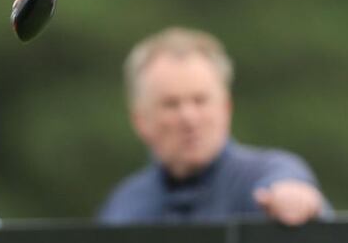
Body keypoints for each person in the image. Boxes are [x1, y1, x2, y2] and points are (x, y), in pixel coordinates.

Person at [99, 27, 330, 225]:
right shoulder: (126, 204)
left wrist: (296, 200)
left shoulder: (264, 178)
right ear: (140, 121)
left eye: (200, 100)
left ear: (226, 108)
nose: (189, 117)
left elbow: (291, 187)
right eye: (171, 104)